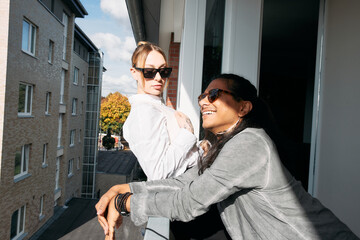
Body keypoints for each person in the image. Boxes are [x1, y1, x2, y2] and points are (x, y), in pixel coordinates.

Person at [97, 74, 358, 240]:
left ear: (243, 107)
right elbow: (184, 183)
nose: (202, 102)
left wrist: (124, 204)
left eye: (214, 95)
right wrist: (128, 187)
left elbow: (188, 202)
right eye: (202, 96)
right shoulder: (225, 145)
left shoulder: (250, 143)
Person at [124, 41, 201, 181]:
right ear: (134, 73)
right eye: (149, 72)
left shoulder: (155, 106)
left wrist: (201, 149)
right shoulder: (144, 112)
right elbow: (158, 173)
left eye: (163, 71)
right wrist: (187, 135)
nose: (159, 78)